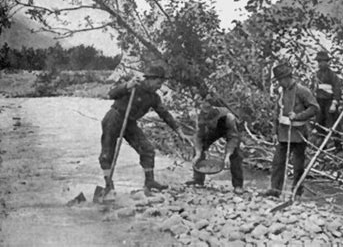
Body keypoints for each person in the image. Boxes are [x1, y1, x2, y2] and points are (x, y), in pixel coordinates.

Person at [99, 65, 188, 199]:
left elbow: (165, 114)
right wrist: (127, 85)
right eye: (158, 83)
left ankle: (149, 181)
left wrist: (179, 131)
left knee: (147, 149)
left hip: (130, 123)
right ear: (150, 79)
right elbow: (111, 94)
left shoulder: (154, 98)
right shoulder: (134, 86)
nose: (159, 86)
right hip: (114, 118)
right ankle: (108, 184)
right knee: (107, 154)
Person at [263, 63, 319, 198]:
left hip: (298, 134)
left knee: (298, 165)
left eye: (281, 80)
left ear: (287, 78)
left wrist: (298, 116)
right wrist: (274, 132)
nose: (280, 83)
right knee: (277, 163)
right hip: (283, 133)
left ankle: (297, 191)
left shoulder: (302, 91)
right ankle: (275, 190)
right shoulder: (282, 92)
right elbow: (277, 113)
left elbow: (314, 108)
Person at [185, 101, 243, 194]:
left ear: (216, 118)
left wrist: (227, 156)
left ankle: (238, 185)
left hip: (229, 130)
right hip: (214, 131)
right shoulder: (202, 117)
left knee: (235, 153)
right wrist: (198, 153)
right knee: (199, 148)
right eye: (206, 122)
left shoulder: (228, 117)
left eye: (210, 122)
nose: (207, 123)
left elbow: (233, 138)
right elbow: (198, 137)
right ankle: (198, 180)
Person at [312, 51, 342, 135]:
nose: (320, 64)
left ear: (327, 62)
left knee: (332, 125)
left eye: (322, 61)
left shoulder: (332, 75)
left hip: (329, 102)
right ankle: (322, 146)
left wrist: (334, 103)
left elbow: (337, 89)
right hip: (319, 102)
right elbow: (314, 89)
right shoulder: (316, 75)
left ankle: (338, 146)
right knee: (319, 125)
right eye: (319, 62)